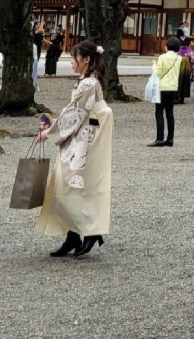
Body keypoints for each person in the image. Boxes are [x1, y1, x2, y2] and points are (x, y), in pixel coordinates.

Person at [34, 40, 113, 258]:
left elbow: (75, 114)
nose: (71, 63)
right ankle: (76, 234)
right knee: (71, 183)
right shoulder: (88, 82)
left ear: (86, 59)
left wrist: (49, 132)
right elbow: (74, 113)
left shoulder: (89, 83)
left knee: (72, 182)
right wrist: (54, 122)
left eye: (73, 58)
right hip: (85, 132)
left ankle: (88, 231)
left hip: (87, 137)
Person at [149, 36, 181, 147]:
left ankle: (159, 138)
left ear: (167, 46)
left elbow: (158, 73)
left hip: (162, 87)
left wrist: (153, 65)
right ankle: (170, 138)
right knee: (170, 113)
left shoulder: (162, 57)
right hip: (173, 87)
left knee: (159, 113)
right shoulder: (179, 58)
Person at [176, 37, 194, 104]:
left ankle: (176, 97)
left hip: (178, 68)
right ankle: (182, 98)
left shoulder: (178, 49)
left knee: (178, 82)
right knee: (185, 83)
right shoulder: (189, 50)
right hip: (187, 68)